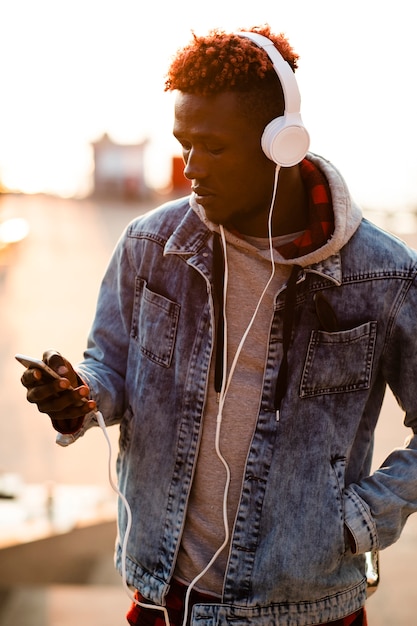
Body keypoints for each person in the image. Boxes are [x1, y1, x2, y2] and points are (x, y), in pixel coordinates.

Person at [19, 24, 417, 626]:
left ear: (282, 144)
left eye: (214, 147)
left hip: (307, 609)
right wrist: (79, 394)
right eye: (184, 145)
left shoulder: (383, 275)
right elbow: (111, 367)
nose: (191, 167)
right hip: (163, 599)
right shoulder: (149, 245)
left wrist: (360, 519)